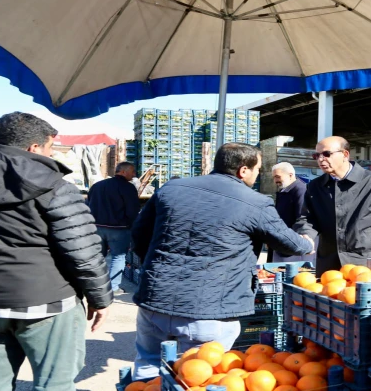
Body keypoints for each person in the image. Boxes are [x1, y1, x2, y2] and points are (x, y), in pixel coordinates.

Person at [0, 112, 112, 391]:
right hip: (47, 304)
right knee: (53, 385)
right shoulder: (53, 184)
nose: (51, 155)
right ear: (34, 147)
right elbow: (82, 249)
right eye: (51, 149)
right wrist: (100, 298)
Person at [130, 143, 313, 379]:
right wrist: (307, 241)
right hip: (210, 308)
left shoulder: (172, 188)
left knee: (148, 367)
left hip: (155, 299)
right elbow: (290, 244)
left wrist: (157, 268)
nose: (258, 175)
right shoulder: (255, 202)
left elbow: (139, 235)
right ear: (243, 170)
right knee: (199, 380)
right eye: (257, 169)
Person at [295, 136, 371, 274]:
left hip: (365, 264)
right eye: (317, 155)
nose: (321, 159)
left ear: (345, 154)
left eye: (327, 154)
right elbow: (307, 218)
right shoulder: (315, 186)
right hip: (329, 264)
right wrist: (305, 235)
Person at [86, 161, 140, 295]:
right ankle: (113, 288)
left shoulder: (97, 186)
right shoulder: (128, 188)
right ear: (123, 171)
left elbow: (88, 204)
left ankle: (94, 285)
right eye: (132, 172)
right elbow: (132, 210)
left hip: (96, 228)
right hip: (119, 229)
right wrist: (132, 227)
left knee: (97, 257)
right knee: (118, 257)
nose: (134, 175)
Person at [269, 162, 309, 263]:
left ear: (290, 175)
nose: (275, 181)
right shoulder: (285, 191)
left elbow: (302, 219)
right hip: (283, 243)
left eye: (278, 177)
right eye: (274, 177)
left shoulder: (300, 190)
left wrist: (290, 241)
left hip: (292, 246)